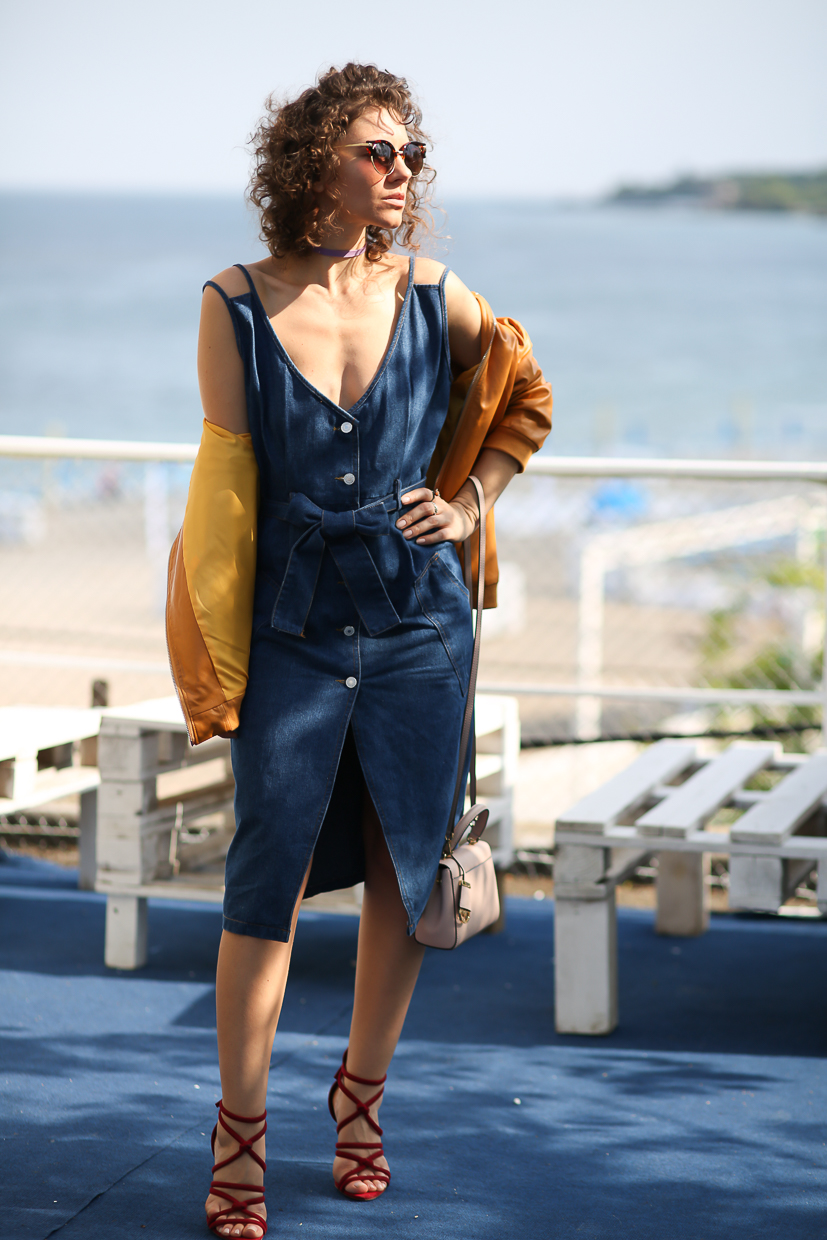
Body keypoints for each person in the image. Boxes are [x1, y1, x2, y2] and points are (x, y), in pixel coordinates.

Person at [166, 61, 552, 1238]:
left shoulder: (438, 296)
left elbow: (525, 396)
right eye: (377, 152)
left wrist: (471, 503)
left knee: (404, 871)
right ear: (311, 163)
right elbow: (226, 490)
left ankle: (361, 1096)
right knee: (265, 876)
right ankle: (239, 1132)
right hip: (291, 627)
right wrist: (208, 652)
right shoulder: (234, 301)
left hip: (418, 629)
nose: (401, 174)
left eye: (409, 154)